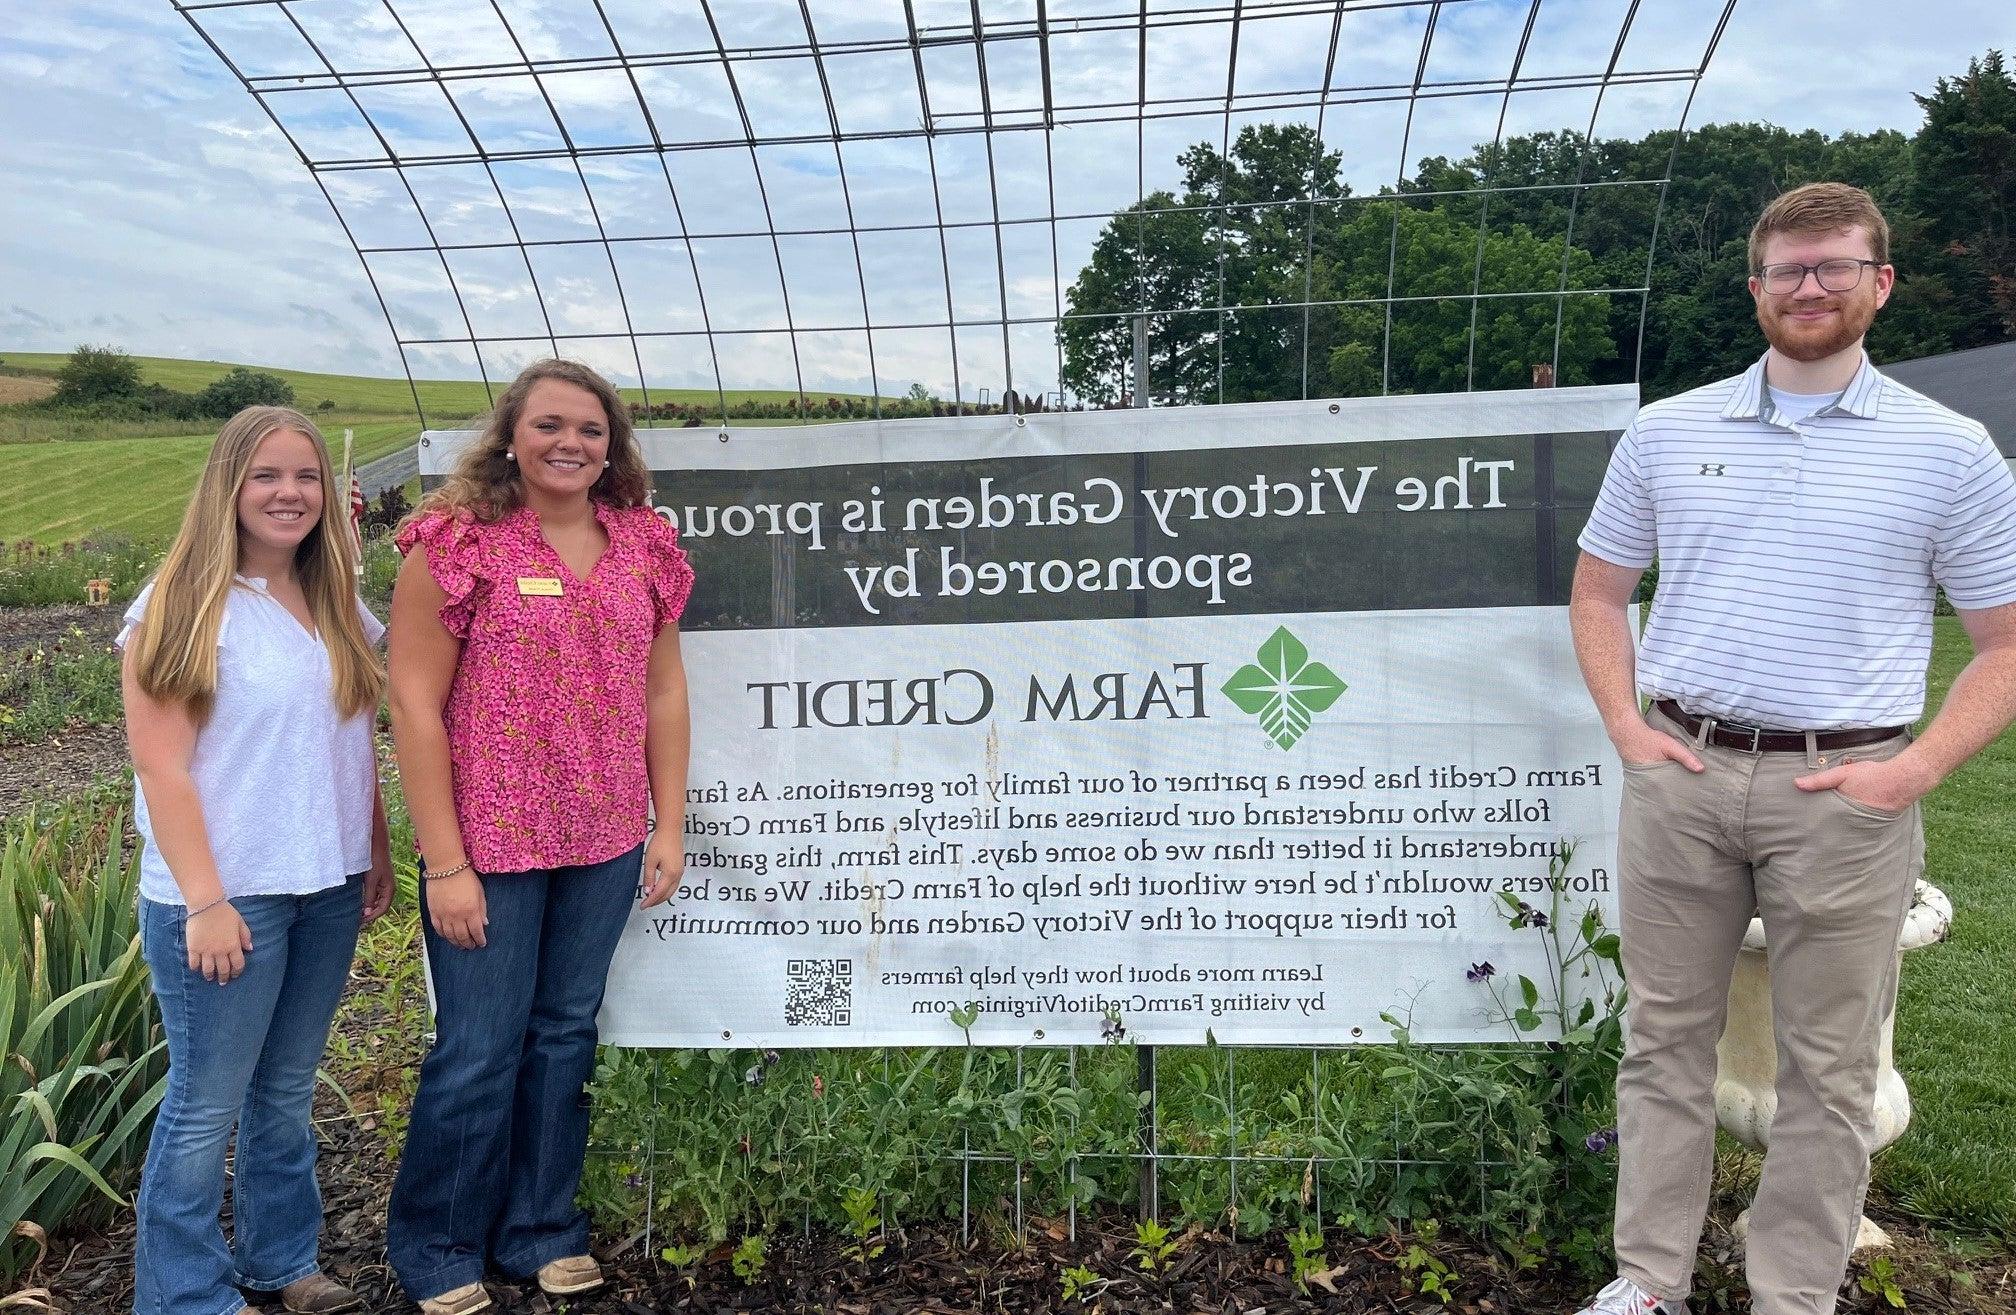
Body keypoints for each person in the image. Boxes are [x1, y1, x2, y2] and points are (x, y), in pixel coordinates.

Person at [1568, 181, 2016, 1315]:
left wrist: (1912, 773)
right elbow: (1599, 587)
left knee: (1831, 1070)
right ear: (1757, 286)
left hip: (1846, 792)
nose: (1809, 286)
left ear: (1880, 282)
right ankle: (1648, 1281)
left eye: (1834, 266)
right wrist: (1627, 726)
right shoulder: (1669, 431)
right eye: (1788, 269)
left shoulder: (1951, 450)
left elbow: (2004, 641)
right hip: (1684, 770)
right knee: (1661, 1041)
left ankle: (1794, 1295)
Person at [384, 359, 693, 1315]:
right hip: (489, 842)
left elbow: (663, 689)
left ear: (614, 446)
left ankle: (541, 1229)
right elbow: (414, 702)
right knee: (478, 1045)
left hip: (602, 834)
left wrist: (668, 822)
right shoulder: (458, 543)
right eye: (551, 424)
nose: (572, 444)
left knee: (564, 1035)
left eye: (592, 430)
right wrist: (444, 862)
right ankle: (438, 1244)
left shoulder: (643, 543)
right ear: (510, 436)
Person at [122, 406, 393, 1315]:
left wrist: (376, 847)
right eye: (267, 476)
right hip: (228, 896)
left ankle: (283, 1261)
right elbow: (161, 765)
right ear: (227, 486)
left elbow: (346, 738)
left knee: (283, 1090)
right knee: (204, 1104)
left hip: (325, 882)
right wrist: (204, 899)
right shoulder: (181, 603)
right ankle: (183, 1293)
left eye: (306, 476)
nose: (290, 493)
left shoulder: (332, 599)